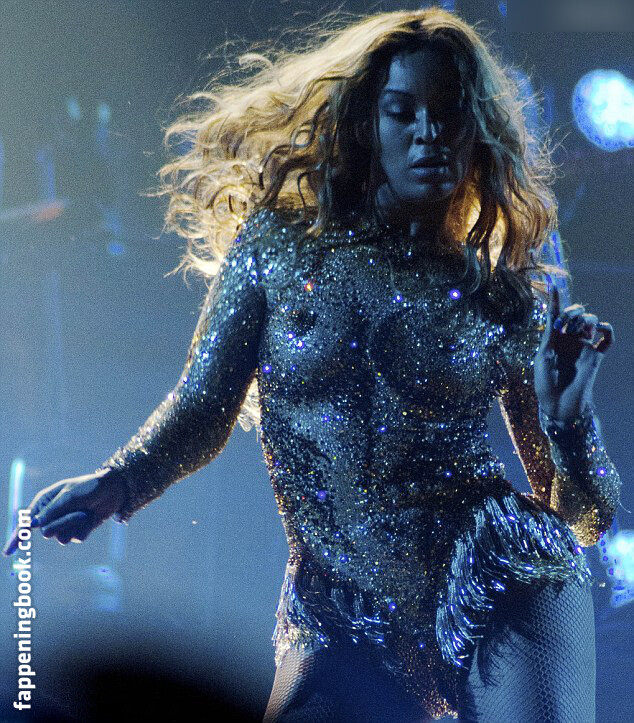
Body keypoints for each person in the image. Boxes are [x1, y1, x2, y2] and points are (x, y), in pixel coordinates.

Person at [3, 8, 621, 722]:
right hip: (336, 609)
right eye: (403, 112)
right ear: (368, 125)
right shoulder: (278, 246)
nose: (427, 133)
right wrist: (119, 482)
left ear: (475, 132)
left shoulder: (503, 294)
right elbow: (204, 405)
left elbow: (584, 518)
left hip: (494, 577)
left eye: (449, 114)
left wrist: (569, 423)